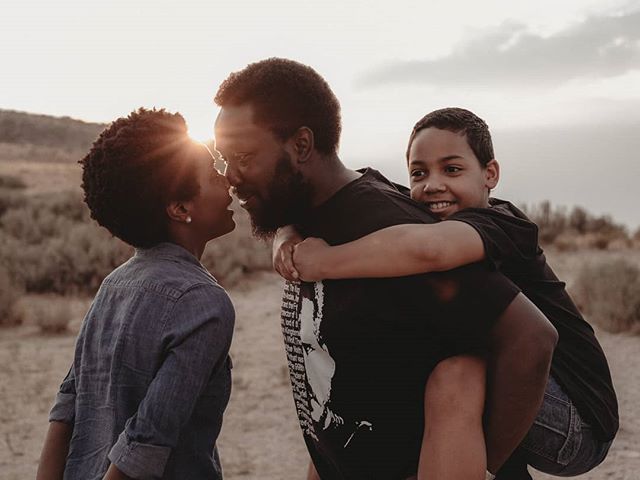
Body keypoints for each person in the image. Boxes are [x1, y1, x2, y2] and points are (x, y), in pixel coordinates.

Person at [214, 58, 558, 480]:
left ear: (302, 146)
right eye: (223, 159)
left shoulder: (383, 226)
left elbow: (530, 338)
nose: (230, 176)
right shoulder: (310, 216)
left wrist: (487, 469)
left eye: (243, 157)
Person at [273, 107, 618, 479]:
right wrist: (288, 236)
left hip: (575, 417)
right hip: (523, 383)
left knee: (458, 372)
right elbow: (328, 208)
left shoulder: (502, 225)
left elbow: (430, 250)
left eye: (452, 169)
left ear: (490, 174)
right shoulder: (423, 212)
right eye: (419, 173)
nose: (432, 184)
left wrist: (322, 261)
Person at [36, 108, 236, 480]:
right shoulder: (205, 303)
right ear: (179, 209)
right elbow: (145, 444)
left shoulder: (113, 284)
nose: (228, 182)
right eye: (213, 174)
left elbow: (66, 408)